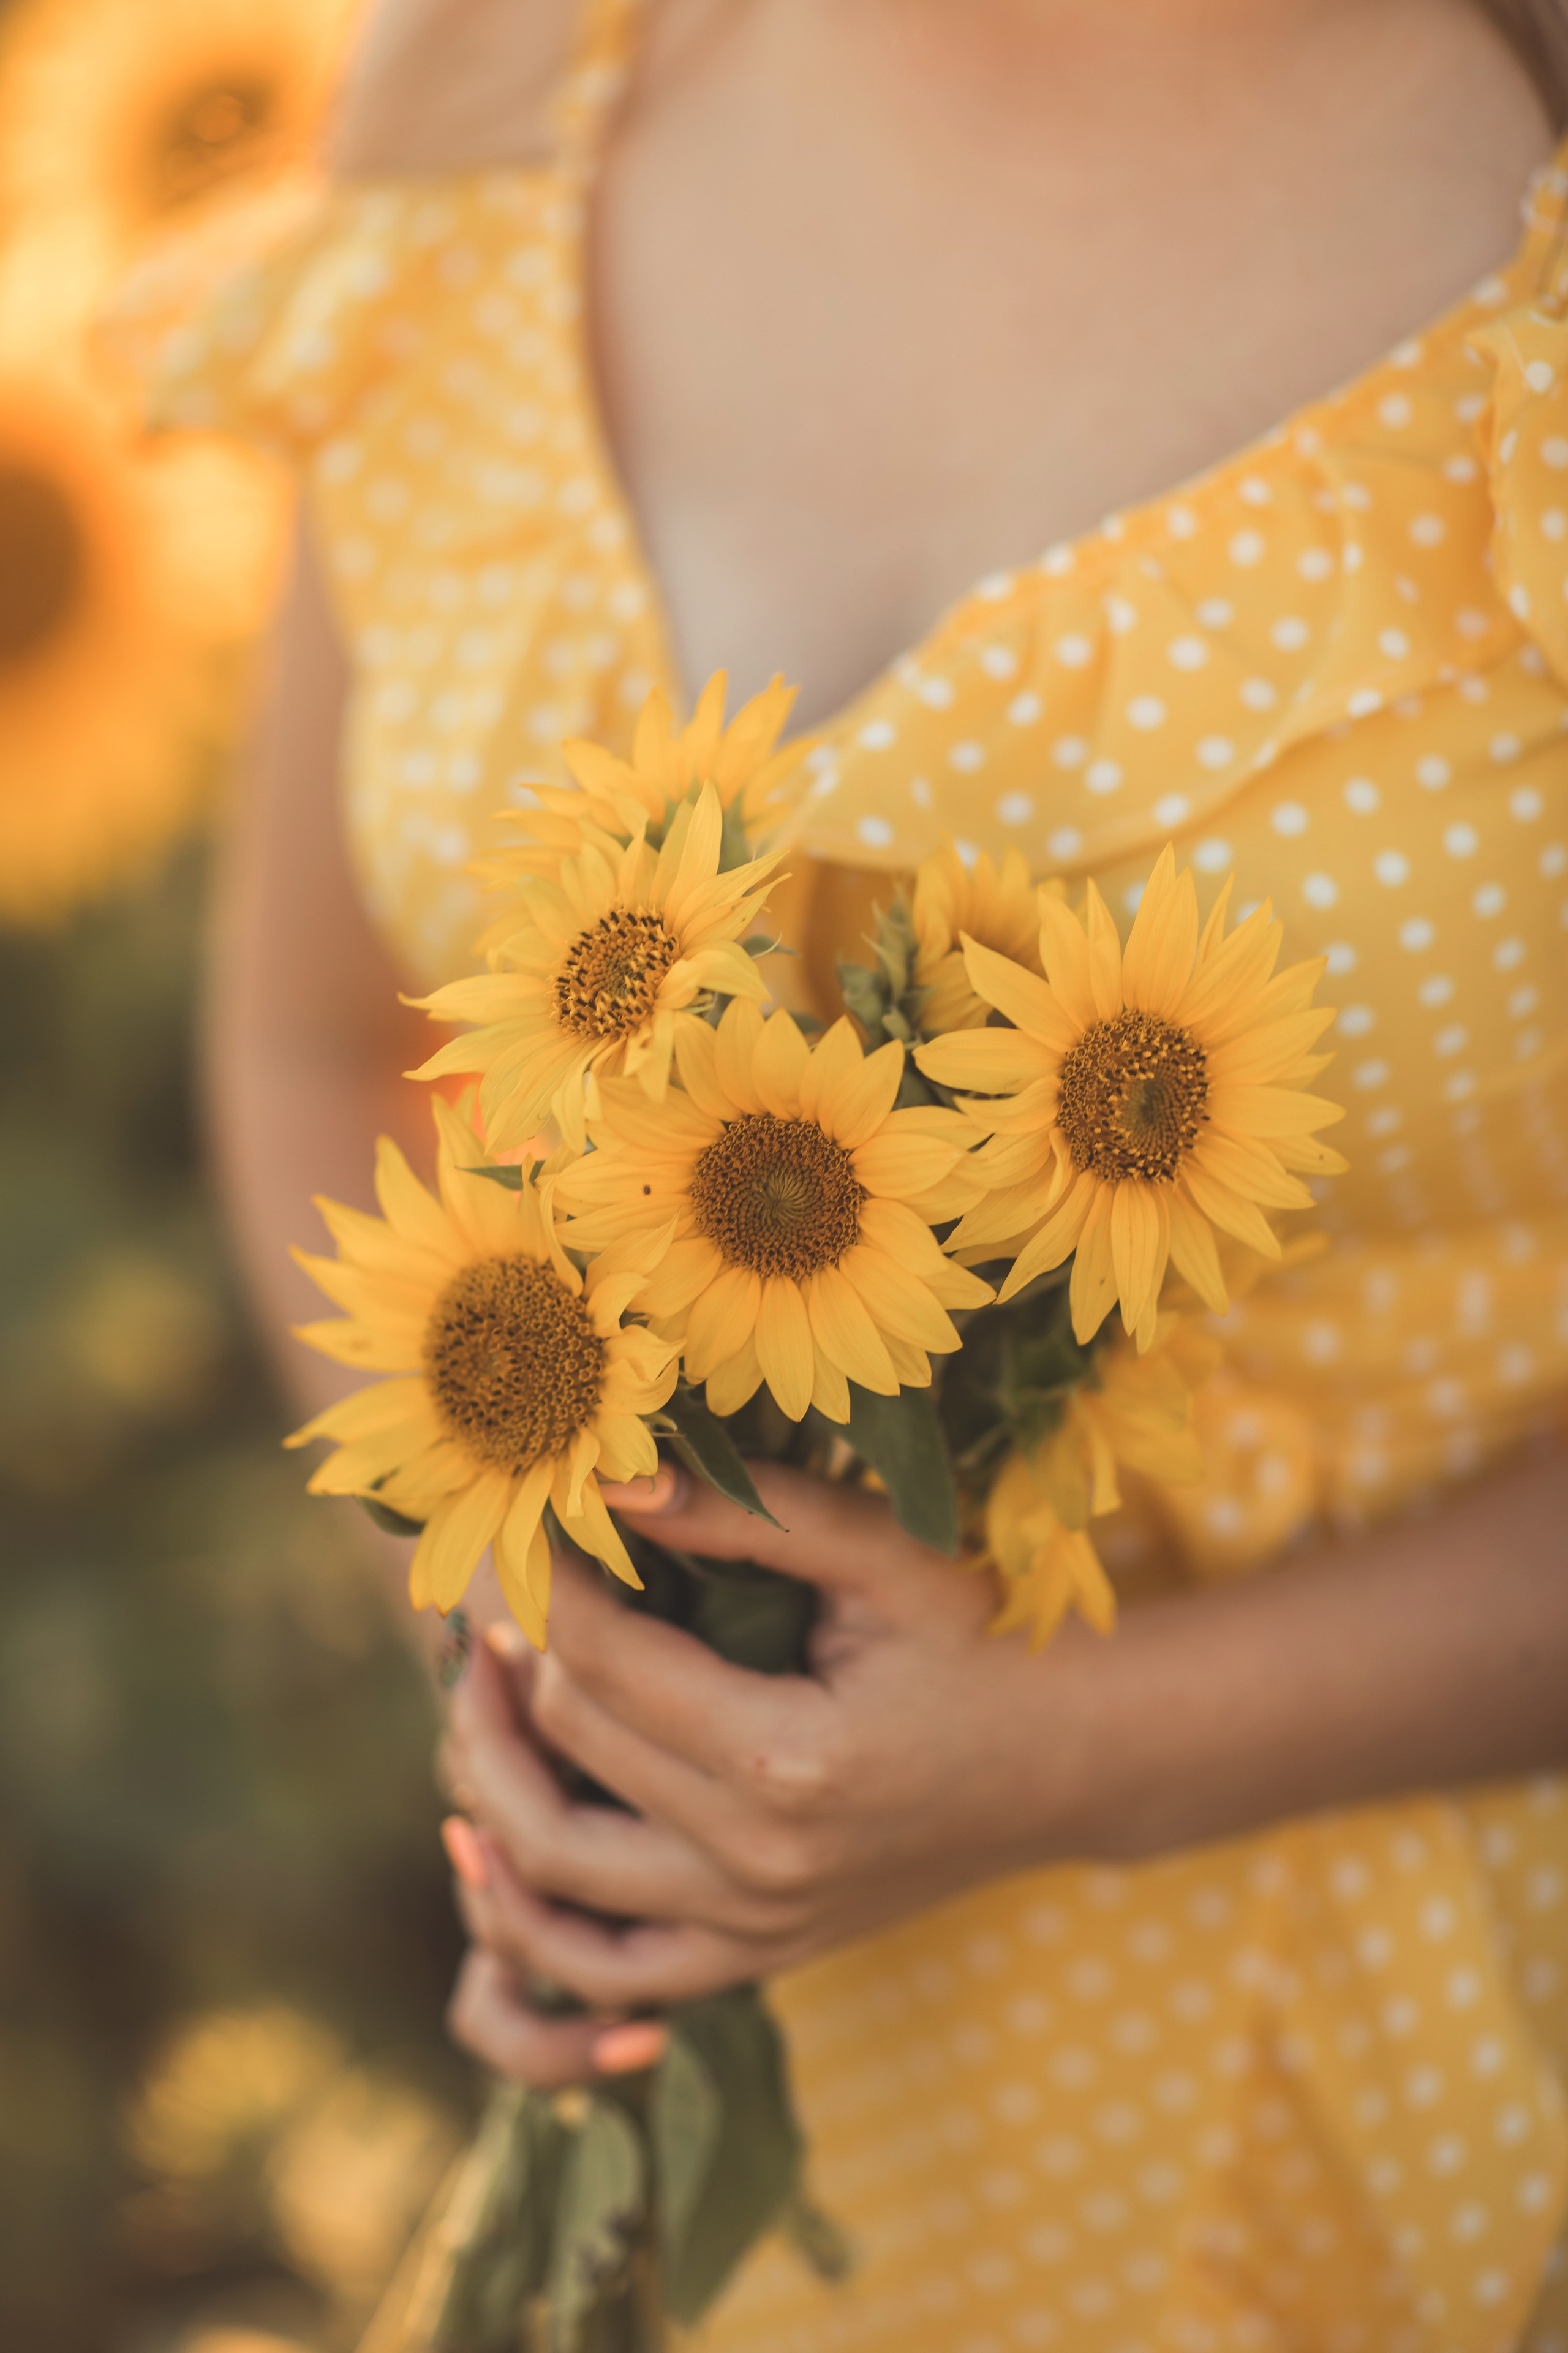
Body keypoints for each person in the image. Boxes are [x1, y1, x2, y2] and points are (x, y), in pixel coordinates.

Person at [144, 1, 1568, 2344]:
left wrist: (1067, 1752)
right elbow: (323, 1043)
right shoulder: (507, 71)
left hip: (1384, 2081)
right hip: (727, 2154)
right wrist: (560, 1678)